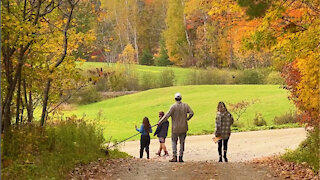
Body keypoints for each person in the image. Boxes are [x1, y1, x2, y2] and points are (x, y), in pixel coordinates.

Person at [158, 93, 194, 162]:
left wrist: (160, 122)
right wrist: (187, 119)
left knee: (174, 141)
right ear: (181, 98)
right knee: (182, 142)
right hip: (184, 127)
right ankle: (181, 156)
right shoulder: (185, 106)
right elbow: (192, 113)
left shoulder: (173, 107)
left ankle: (174, 156)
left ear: (175, 99)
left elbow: (166, 116)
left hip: (175, 128)